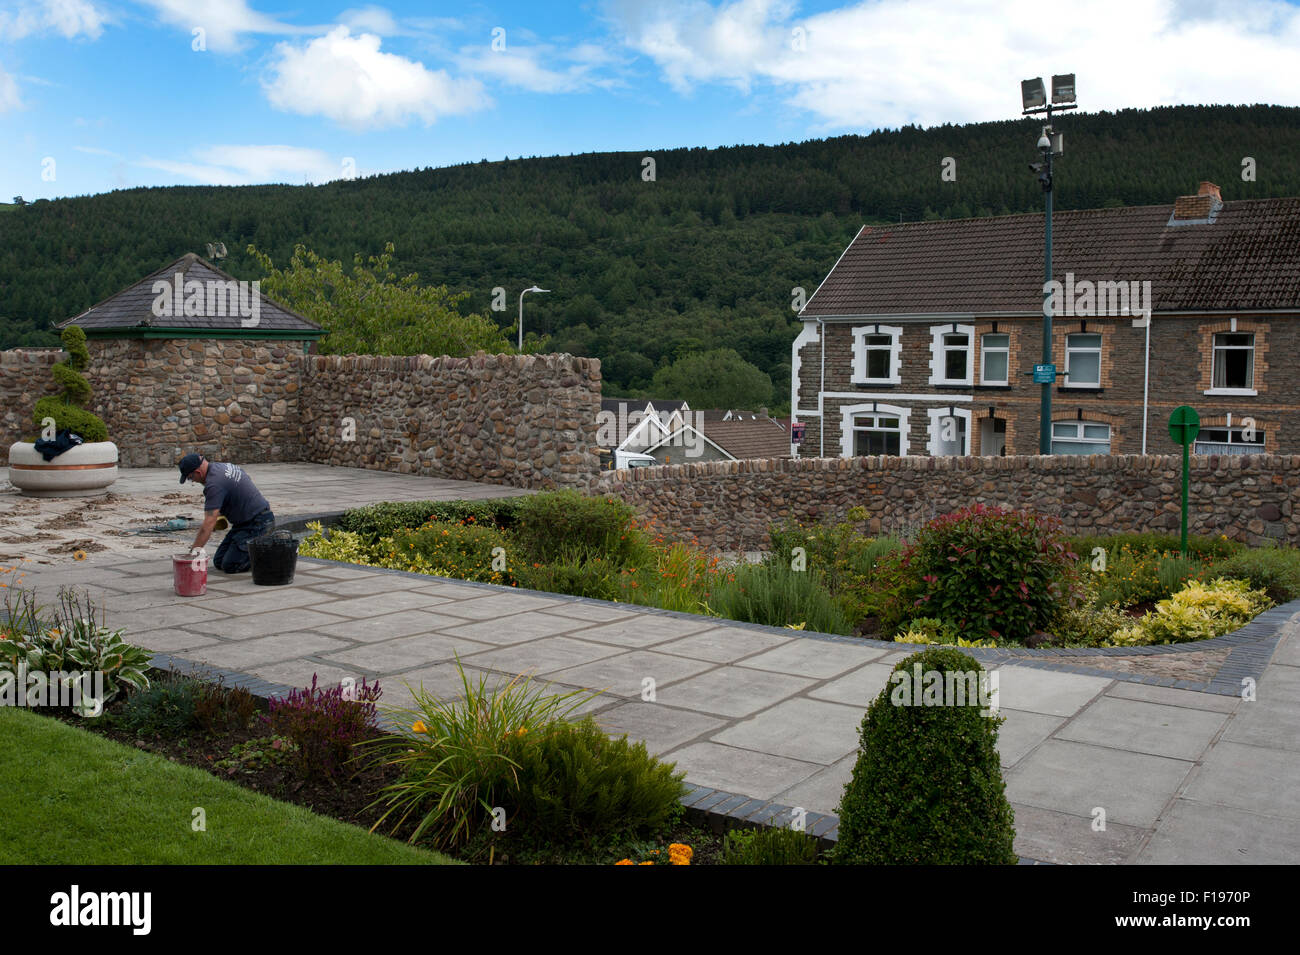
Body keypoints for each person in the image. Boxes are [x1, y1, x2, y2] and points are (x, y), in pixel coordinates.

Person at [178, 453, 274, 573]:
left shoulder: (214, 484)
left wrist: (193, 555)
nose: (193, 481)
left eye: (190, 478)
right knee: (219, 562)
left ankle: (269, 551)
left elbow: (207, 526)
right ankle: (255, 546)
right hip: (244, 523)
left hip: (258, 523)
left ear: (198, 472)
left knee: (231, 565)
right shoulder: (222, 467)